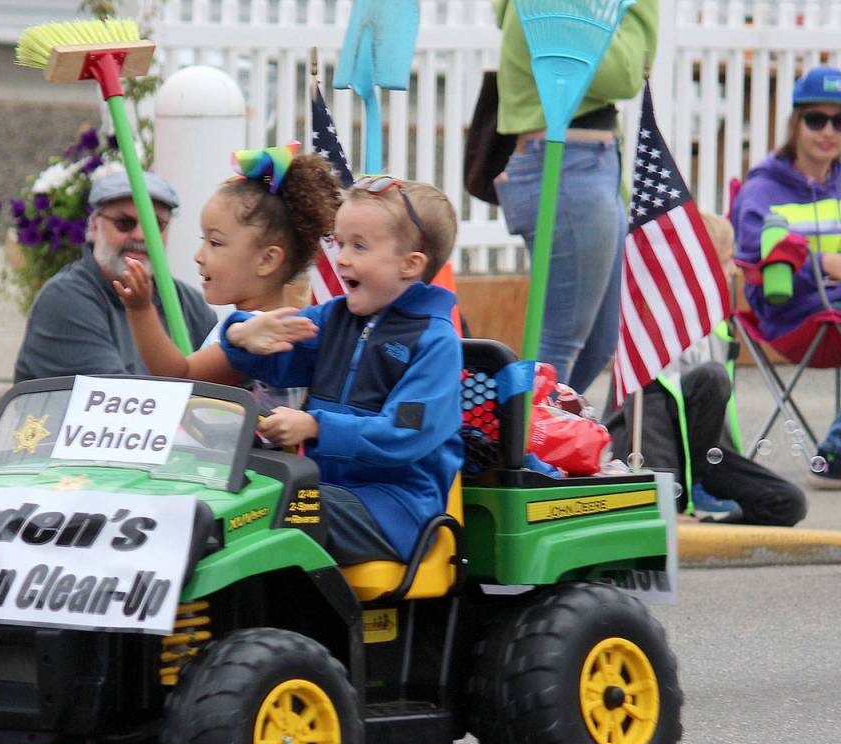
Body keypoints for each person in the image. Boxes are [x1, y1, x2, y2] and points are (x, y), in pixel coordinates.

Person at [216, 176, 463, 565]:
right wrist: (244, 332)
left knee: (270, 513)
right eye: (339, 243)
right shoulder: (335, 319)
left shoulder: (435, 343)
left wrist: (315, 427)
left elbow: (403, 434)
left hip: (395, 509)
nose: (341, 258)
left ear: (410, 264)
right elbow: (278, 359)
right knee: (225, 499)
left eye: (359, 246)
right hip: (327, 488)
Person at [491, 0, 657, 393]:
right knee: (559, 343)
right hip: (566, 167)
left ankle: (540, 430)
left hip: (587, 165)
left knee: (598, 342)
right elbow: (626, 73)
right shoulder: (552, 5)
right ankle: (526, 442)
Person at [605, 213, 807, 526]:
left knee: (789, 503)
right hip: (647, 460)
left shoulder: (718, 324)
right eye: (728, 260)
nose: (735, 269)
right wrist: (665, 498)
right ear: (700, 268)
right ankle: (671, 509)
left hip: (701, 456)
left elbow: (713, 419)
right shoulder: (650, 323)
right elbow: (647, 416)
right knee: (711, 376)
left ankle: (705, 524)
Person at [116, 143, 340, 412]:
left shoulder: (261, 332)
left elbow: (178, 378)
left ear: (267, 260)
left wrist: (140, 311)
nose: (199, 256)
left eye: (215, 243)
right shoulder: (248, 326)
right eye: (204, 240)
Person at [731, 66, 841, 488]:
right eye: (816, 119)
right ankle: (836, 449)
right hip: (791, 314)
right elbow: (755, 252)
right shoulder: (763, 188)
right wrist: (821, 262)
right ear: (796, 123)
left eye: (838, 120)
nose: (827, 131)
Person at [13, 167, 217, 382]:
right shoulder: (63, 300)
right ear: (94, 225)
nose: (140, 235)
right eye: (124, 223)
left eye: (155, 224)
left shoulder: (190, 305)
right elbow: (117, 400)